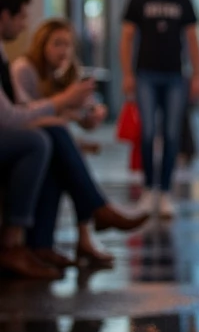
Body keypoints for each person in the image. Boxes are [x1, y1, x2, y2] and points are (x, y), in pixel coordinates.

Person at [12, 16, 147, 266]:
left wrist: (86, 116)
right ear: (42, 44)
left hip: (43, 139)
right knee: (57, 144)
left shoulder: (63, 73)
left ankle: (52, 242)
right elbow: (23, 115)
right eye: (57, 44)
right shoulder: (24, 69)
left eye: (68, 44)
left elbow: (58, 116)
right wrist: (66, 106)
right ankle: (96, 214)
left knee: (59, 150)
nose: (64, 51)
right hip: (25, 136)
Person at [0, 0, 95, 280]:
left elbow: (21, 111)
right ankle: (13, 245)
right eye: (21, 18)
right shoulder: (22, 68)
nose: (23, 24)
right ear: (4, 16)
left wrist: (71, 113)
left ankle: (42, 243)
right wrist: (63, 104)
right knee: (39, 142)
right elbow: (11, 117)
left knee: (49, 141)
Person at [120, 0, 199, 218]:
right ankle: (147, 189)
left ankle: (165, 191)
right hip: (145, 74)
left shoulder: (182, 0)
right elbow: (127, 38)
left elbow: (192, 40)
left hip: (175, 75)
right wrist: (127, 74)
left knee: (171, 134)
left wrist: (198, 75)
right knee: (147, 133)